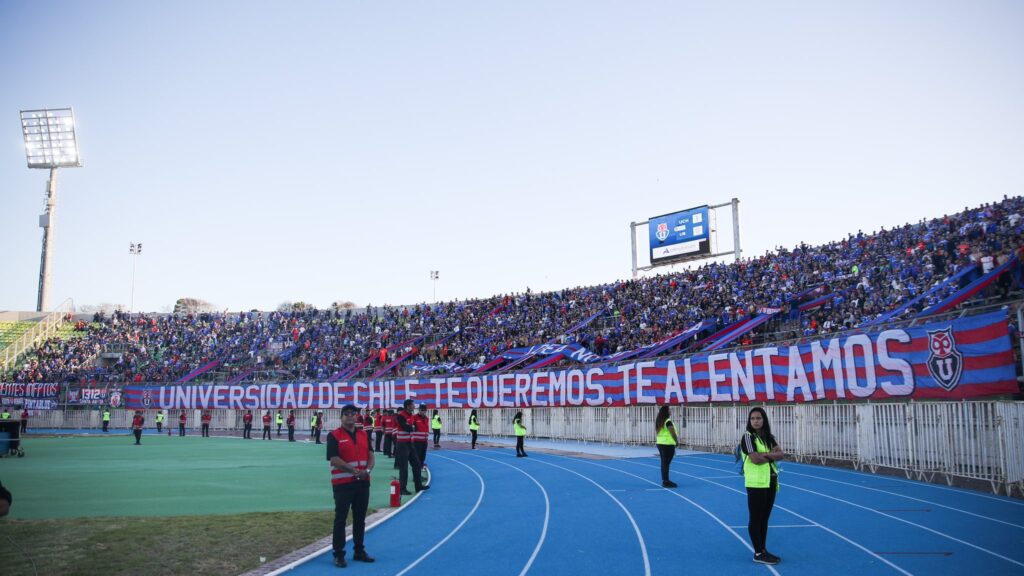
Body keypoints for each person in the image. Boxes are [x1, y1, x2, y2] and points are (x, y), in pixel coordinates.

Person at [327, 404, 376, 567]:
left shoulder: (363, 434)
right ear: (341, 417)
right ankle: (339, 554)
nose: (350, 416)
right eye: (347, 414)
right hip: (343, 484)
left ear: (357, 417)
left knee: (360, 519)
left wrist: (367, 470)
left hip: (362, 483)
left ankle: (359, 550)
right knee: (340, 519)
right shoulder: (334, 435)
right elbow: (334, 459)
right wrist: (355, 471)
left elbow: (371, 455)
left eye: (353, 414)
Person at [740, 407, 786, 566]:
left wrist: (765, 455)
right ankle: (758, 553)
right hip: (756, 483)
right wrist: (770, 455)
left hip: (771, 481)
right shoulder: (747, 437)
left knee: (764, 518)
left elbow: (781, 454)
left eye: (759, 418)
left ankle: (763, 550)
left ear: (764, 419)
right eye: (752, 418)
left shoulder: (768, 437)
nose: (756, 421)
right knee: (756, 518)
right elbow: (755, 459)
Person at [395, 399, 428, 495]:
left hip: (410, 443)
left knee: (417, 464)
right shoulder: (401, 416)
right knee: (404, 467)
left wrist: (411, 427)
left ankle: (418, 486)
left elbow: (414, 427)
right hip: (402, 444)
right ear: (408, 406)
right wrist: (411, 427)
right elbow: (407, 428)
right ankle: (402, 489)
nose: (414, 406)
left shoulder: (411, 416)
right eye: (413, 405)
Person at [655, 405, 679, 488]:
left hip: (660, 443)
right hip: (667, 444)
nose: (671, 411)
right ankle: (666, 481)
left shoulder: (659, 421)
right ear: (666, 412)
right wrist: (676, 441)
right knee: (666, 463)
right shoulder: (668, 421)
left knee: (664, 463)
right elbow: (672, 432)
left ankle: (665, 480)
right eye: (669, 410)